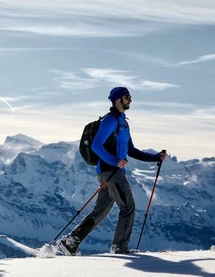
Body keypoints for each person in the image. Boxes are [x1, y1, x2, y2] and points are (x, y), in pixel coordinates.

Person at [58, 87, 167, 255]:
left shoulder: (123, 123)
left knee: (100, 211)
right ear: (118, 100)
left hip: (110, 172)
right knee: (128, 207)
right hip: (111, 172)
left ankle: (71, 242)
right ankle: (120, 247)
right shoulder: (110, 121)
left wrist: (155, 157)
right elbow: (96, 145)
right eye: (127, 97)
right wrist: (114, 161)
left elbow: (131, 150)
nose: (130, 100)